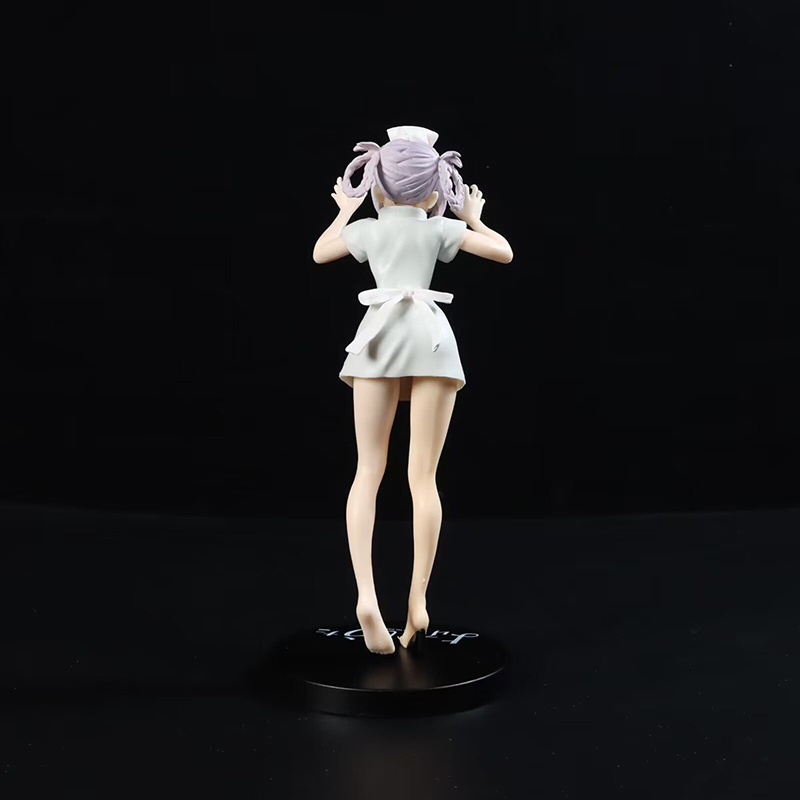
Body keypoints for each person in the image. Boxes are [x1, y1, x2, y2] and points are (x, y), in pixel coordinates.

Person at [313, 125, 513, 654]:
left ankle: (366, 595)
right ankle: (418, 600)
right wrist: (473, 217)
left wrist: (345, 210)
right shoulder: (439, 229)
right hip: (430, 341)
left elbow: (319, 253)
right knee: (423, 478)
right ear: (434, 192)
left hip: (378, 341)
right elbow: (504, 253)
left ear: (376, 188)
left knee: (368, 471)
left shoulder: (369, 230)